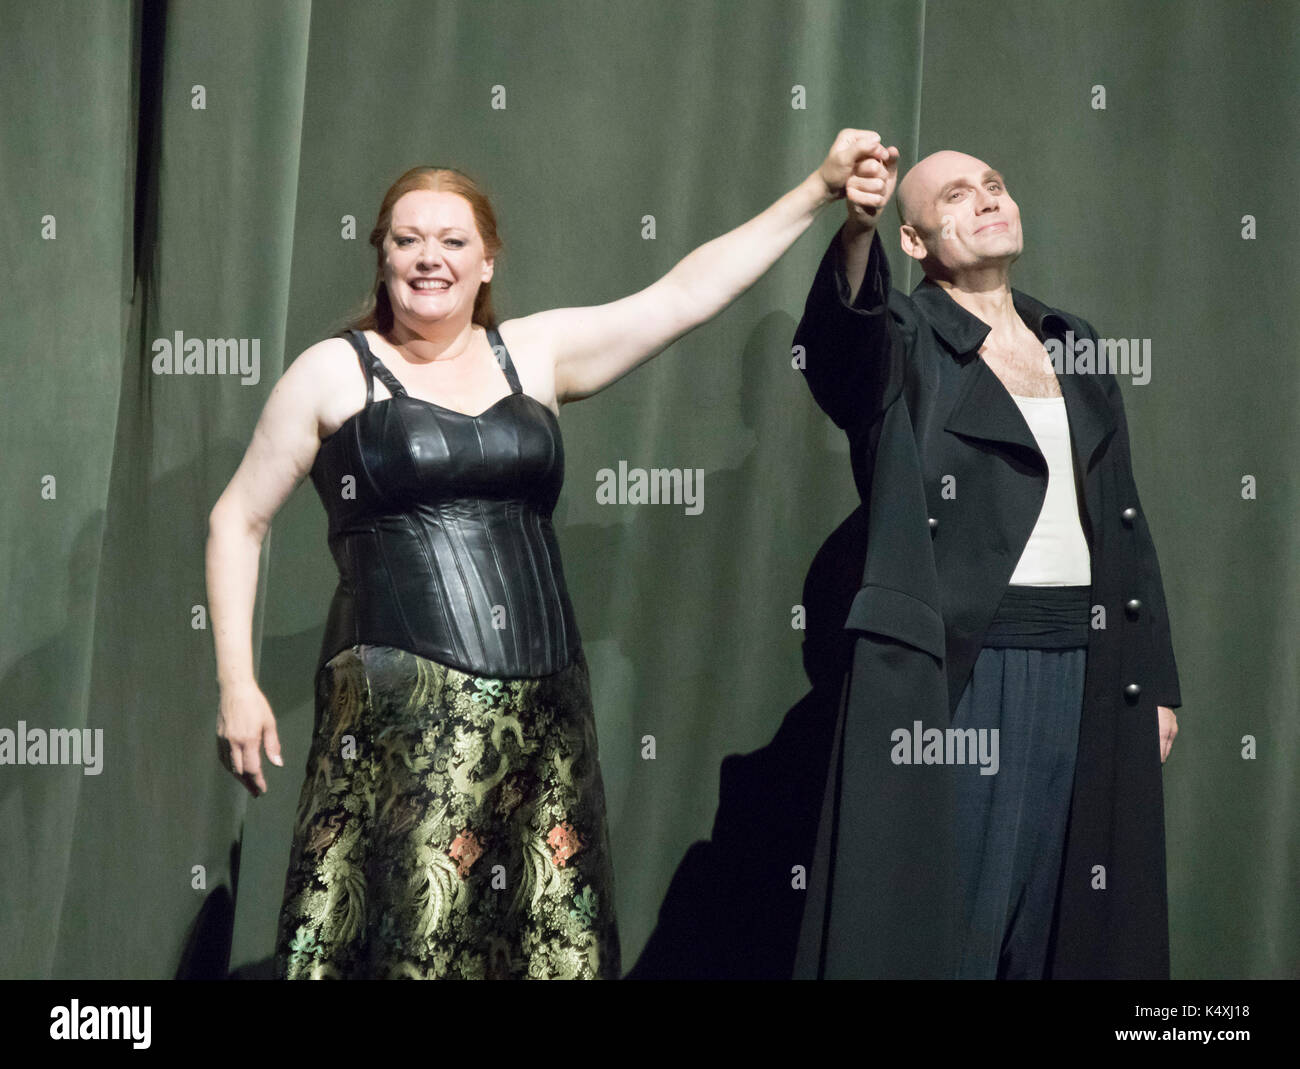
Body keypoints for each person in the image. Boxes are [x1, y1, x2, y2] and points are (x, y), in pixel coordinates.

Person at [205, 133, 882, 979]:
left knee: (550, 945)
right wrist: (238, 681)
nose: (429, 258)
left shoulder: (535, 352)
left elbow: (684, 295)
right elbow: (238, 518)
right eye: (407, 239)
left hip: (546, 713)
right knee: (417, 944)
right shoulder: (331, 373)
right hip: (402, 720)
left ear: (486, 261)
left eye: (453, 241)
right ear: (380, 256)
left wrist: (816, 191)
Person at [791, 140, 1182, 979]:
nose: (986, 200)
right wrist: (855, 229)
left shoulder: (1070, 339)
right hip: (966, 673)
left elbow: (1123, 521)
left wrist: (1153, 683)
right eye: (957, 196)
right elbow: (841, 349)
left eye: (994, 186)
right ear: (916, 241)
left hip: (1087, 665)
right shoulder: (906, 335)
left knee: (1063, 927)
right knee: (952, 924)